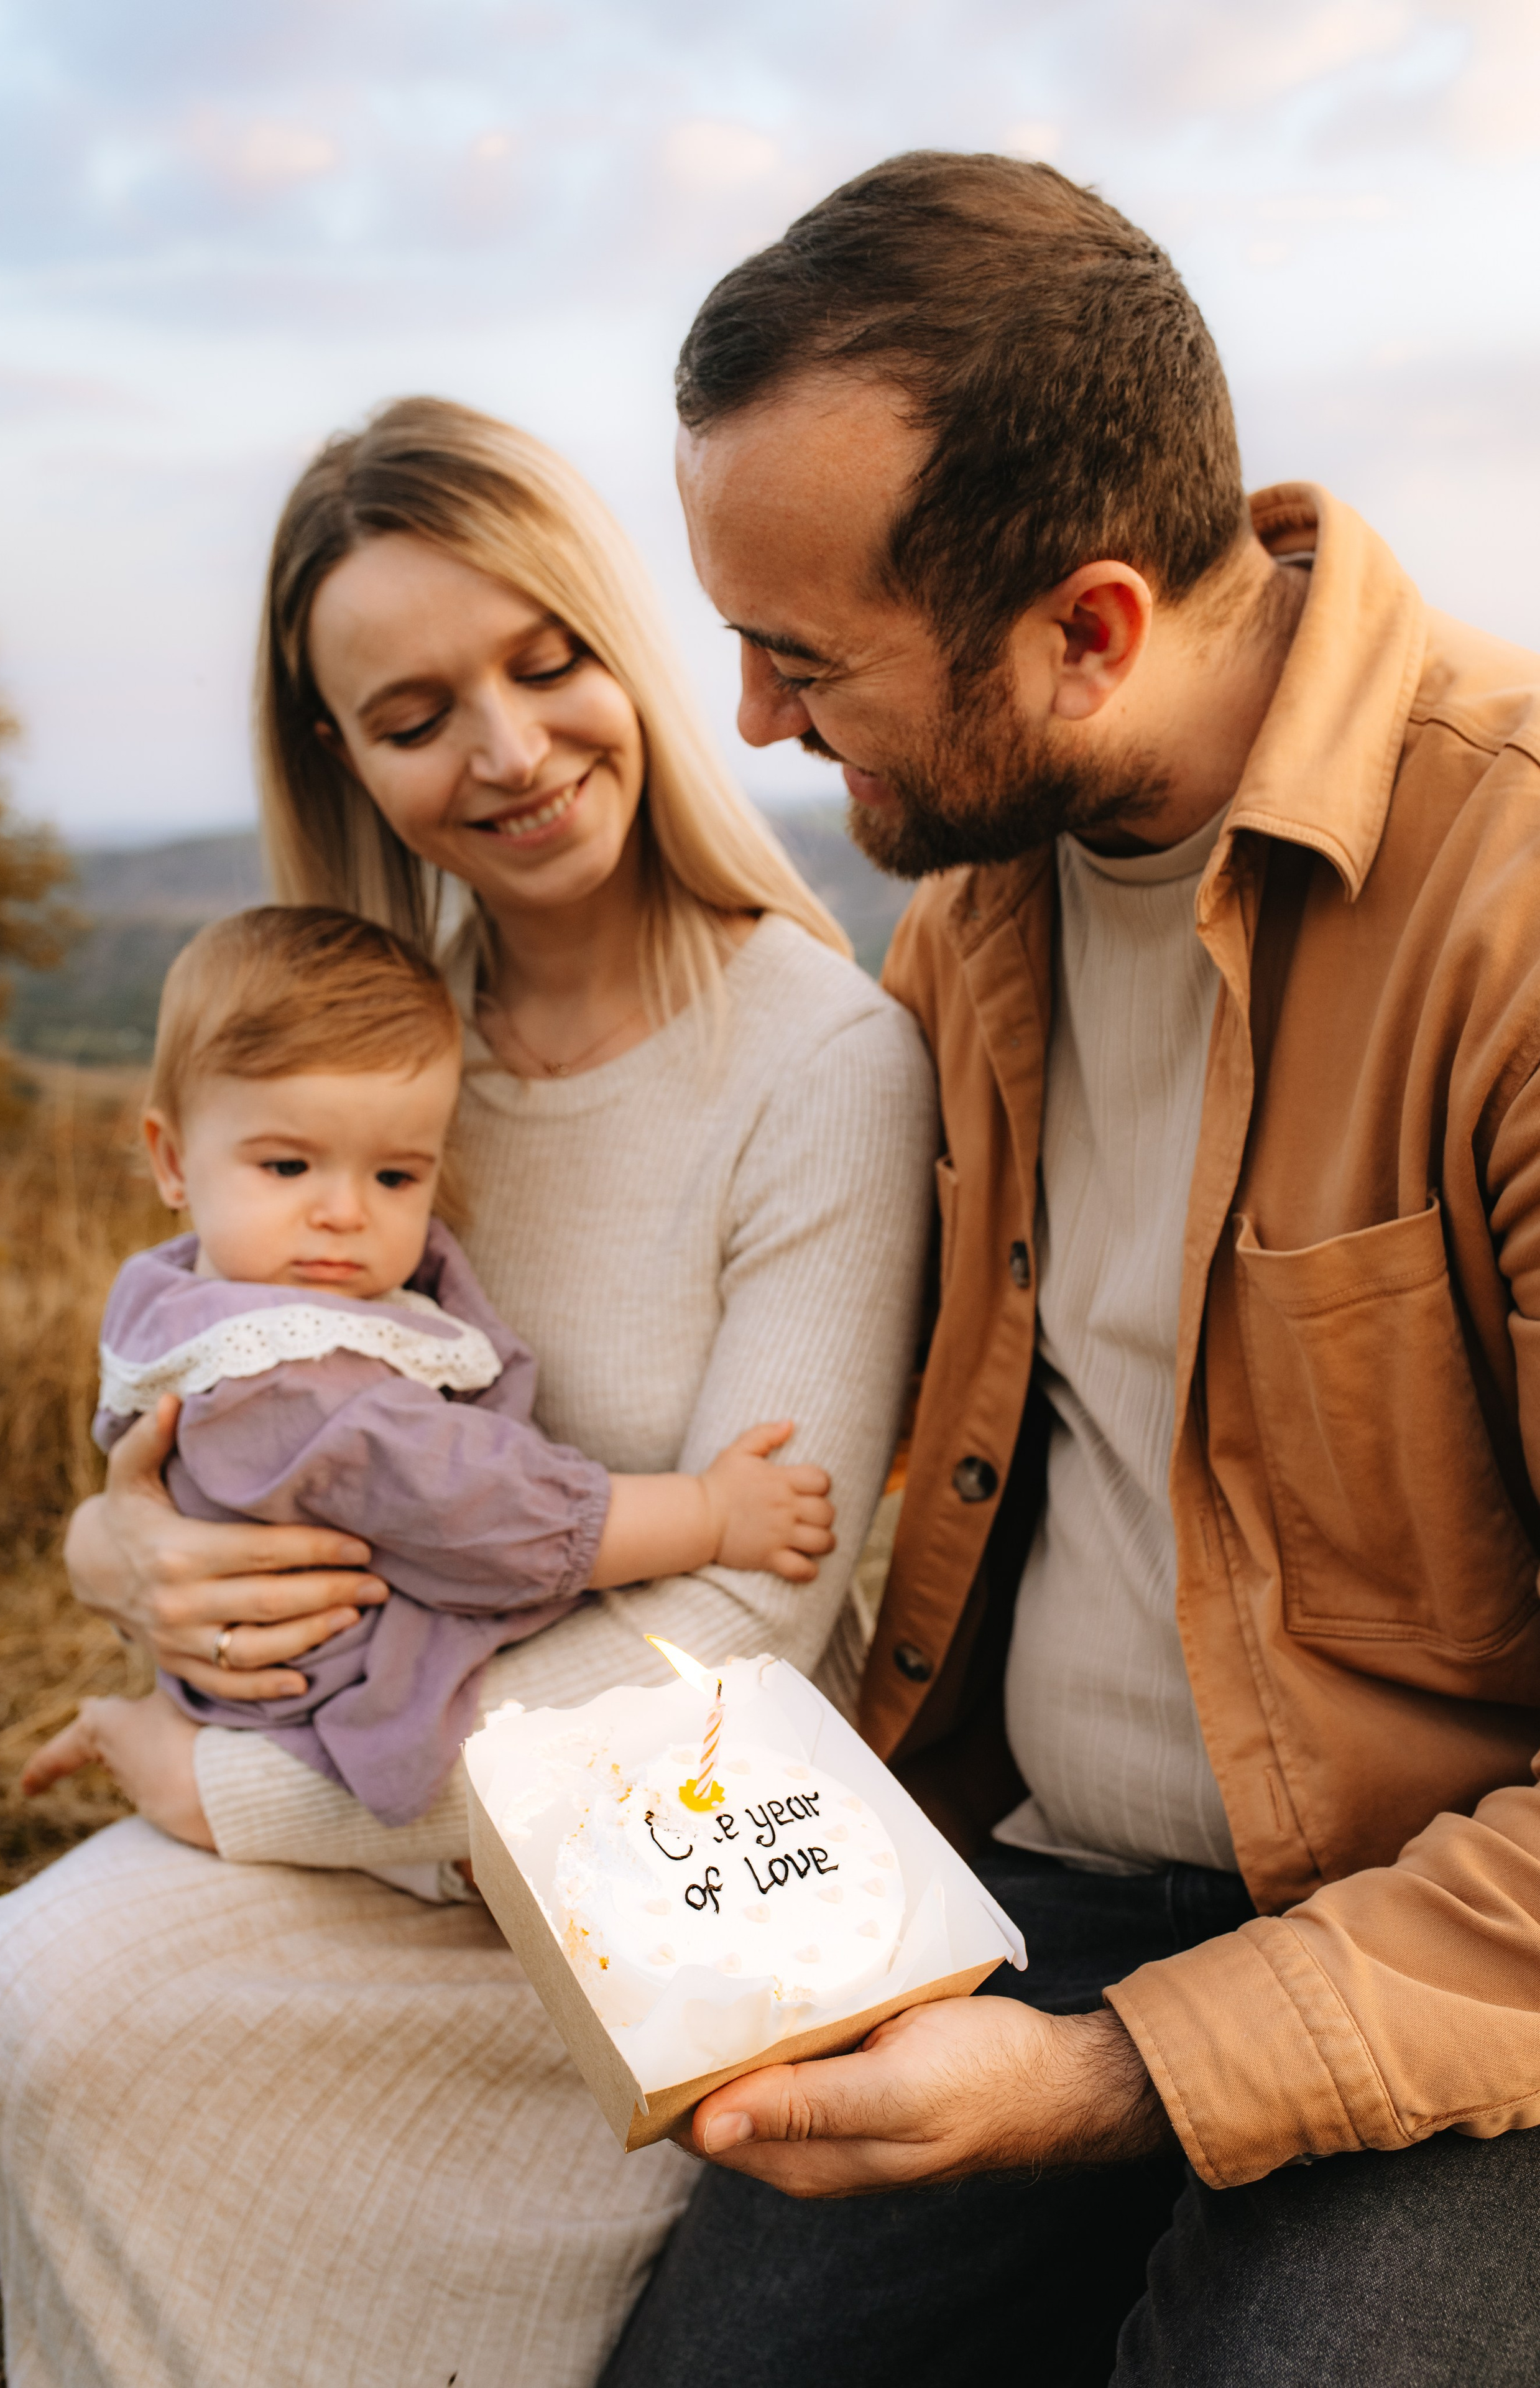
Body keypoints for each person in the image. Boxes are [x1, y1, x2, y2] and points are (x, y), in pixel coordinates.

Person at [601, 152, 1540, 2387]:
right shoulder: (970, 921)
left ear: (1088, 632)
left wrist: (1104, 2077)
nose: (746, 719)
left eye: (803, 657)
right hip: (1023, 1888)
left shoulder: (1510, 917)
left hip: (1443, 1956)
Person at [0, 397, 936, 2387]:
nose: (503, 749)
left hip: (646, 1864)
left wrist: (239, 1792)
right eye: (411, 716)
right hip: (393, 1793)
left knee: (67, 1991)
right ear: (343, 758)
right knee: (35, 2000)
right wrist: (117, 1538)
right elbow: (220, 1380)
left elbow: (751, 1620)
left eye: (544, 659)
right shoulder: (370, 1063)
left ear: (622, 640)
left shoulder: (818, 1058)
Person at [23, 902, 836, 1833]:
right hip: (329, 1703)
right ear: (171, 1160)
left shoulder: (183, 1290)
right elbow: (490, 1508)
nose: (344, 1211)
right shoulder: (295, 1381)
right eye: (288, 1167)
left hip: (262, 1673)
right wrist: (710, 1516)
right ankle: (432, 1867)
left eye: (396, 1177)